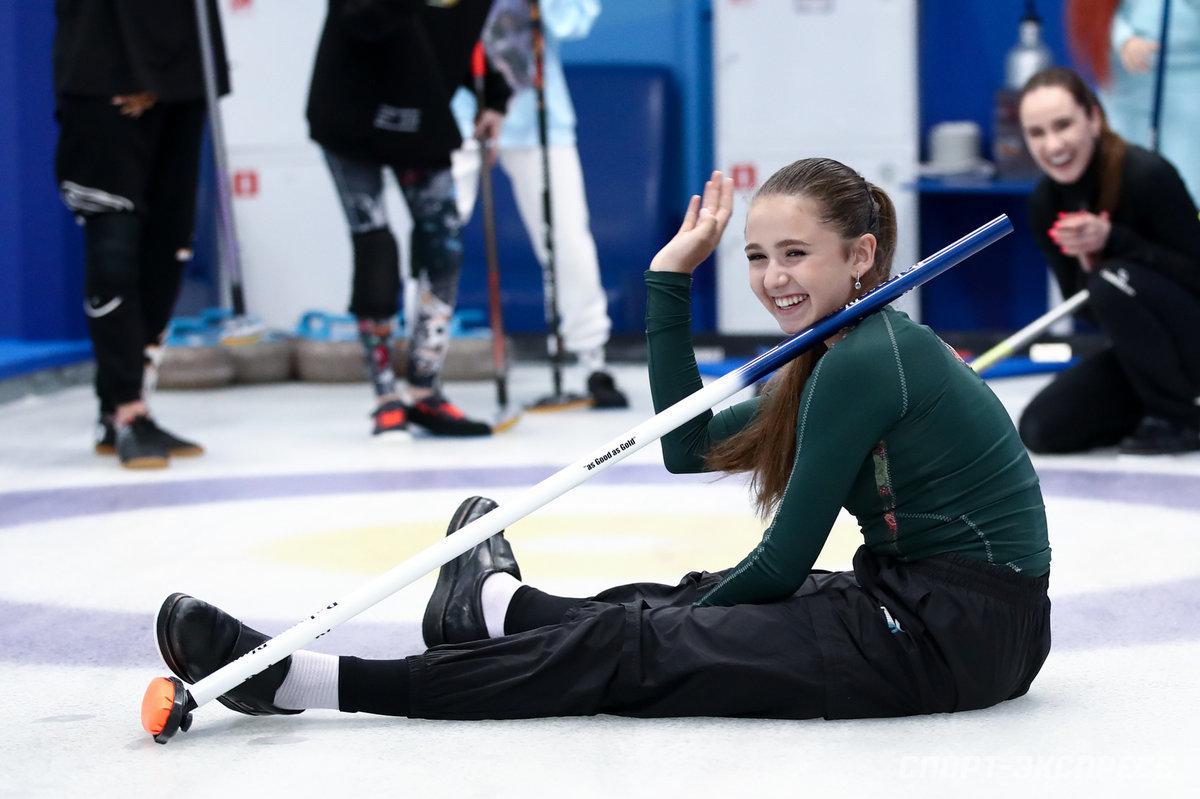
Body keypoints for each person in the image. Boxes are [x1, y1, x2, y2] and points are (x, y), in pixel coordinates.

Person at [155, 158, 1051, 722]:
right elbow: (685, 445)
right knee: (677, 598)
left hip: (950, 633)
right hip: (933, 606)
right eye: (755, 254)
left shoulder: (869, 357)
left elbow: (779, 565)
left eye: (795, 254)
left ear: (859, 257)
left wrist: (657, 631)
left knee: (634, 645)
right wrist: (669, 281)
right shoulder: (841, 351)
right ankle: (498, 610)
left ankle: (301, 683)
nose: (771, 277)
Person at [306, 0, 512, 439]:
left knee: (444, 250)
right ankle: (385, 397)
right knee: (376, 246)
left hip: (423, 118)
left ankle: (424, 390)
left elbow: (454, 36)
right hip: (351, 115)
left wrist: (492, 94)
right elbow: (359, 18)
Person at [53, 0, 227, 469]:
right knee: (114, 247)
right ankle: (126, 408)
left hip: (183, 77)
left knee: (167, 249)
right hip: (105, 75)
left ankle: (128, 405)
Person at [450, 0, 628, 408]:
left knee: (567, 239)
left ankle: (591, 362)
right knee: (434, 237)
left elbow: (574, 21)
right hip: (455, 114)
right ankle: (419, 369)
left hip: (539, 117)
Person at [1016, 66, 1200, 455]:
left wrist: (1115, 242)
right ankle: (1157, 406)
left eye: (1063, 125)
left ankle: (1180, 419)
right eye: (1037, 133)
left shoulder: (1146, 175)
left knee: (1111, 279)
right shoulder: (1045, 204)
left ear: (1094, 119)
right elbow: (1087, 313)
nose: (1053, 145)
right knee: (1041, 429)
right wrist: (1088, 264)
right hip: (1147, 354)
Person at [1066, 0, 1200, 203]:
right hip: (1128, 84)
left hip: (1189, 82)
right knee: (1123, 173)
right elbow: (1096, 15)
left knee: (1189, 174)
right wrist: (1124, 39)